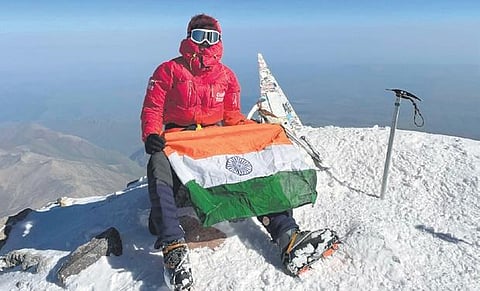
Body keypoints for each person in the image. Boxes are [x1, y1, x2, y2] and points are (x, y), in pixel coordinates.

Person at [140, 14, 339, 291]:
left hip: (214, 137)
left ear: (220, 41)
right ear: (188, 38)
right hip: (179, 139)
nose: (205, 43)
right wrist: (151, 134)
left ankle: (287, 235)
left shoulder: (226, 77)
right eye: (199, 36)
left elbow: (232, 116)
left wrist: (255, 131)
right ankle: (173, 246)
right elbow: (153, 108)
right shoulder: (168, 71)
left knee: (254, 161)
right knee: (157, 162)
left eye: (212, 37)